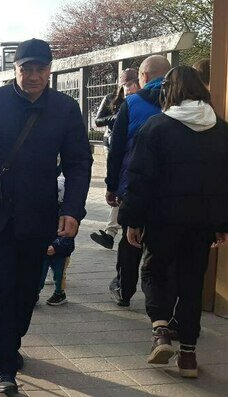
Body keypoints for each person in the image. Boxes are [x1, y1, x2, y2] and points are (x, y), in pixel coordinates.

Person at [0, 39, 92, 394]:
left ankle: (10, 343)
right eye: (27, 69)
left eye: (40, 69)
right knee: (0, 287)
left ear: (50, 70)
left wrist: (72, 210)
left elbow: (78, 163)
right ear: (15, 69)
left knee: (27, 291)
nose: (34, 75)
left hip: (41, 214)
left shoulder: (65, 109)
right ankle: (2, 367)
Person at [118, 66, 228, 378]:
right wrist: (222, 222)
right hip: (201, 223)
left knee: (154, 272)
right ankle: (188, 357)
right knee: (192, 282)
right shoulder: (222, 130)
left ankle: (161, 332)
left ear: (169, 92)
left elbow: (140, 179)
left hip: (162, 220)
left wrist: (132, 220)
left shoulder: (156, 127)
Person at [106, 55, 171, 307]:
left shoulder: (131, 103)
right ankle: (160, 294)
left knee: (130, 237)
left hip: (133, 184)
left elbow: (116, 149)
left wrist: (112, 186)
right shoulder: (178, 101)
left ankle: (124, 289)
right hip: (169, 188)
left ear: (143, 76)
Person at [91, 68, 140, 250]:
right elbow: (98, 121)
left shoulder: (141, 99)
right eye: (126, 83)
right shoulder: (111, 98)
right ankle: (112, 231)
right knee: (120, 184)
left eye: (132, 83)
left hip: (131, 146)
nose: (129, 87)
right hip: (112, 145)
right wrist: (117, 117)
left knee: (123, 186)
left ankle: (111, 232)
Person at [39, 172, 75, 306]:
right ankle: (34, 293)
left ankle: (59, 293)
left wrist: (56, 246)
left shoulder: (67, 216)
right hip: (45, 249)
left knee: (59, 274)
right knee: (39, 274)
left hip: (60, 251)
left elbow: (68, 236)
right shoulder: (44, 212)